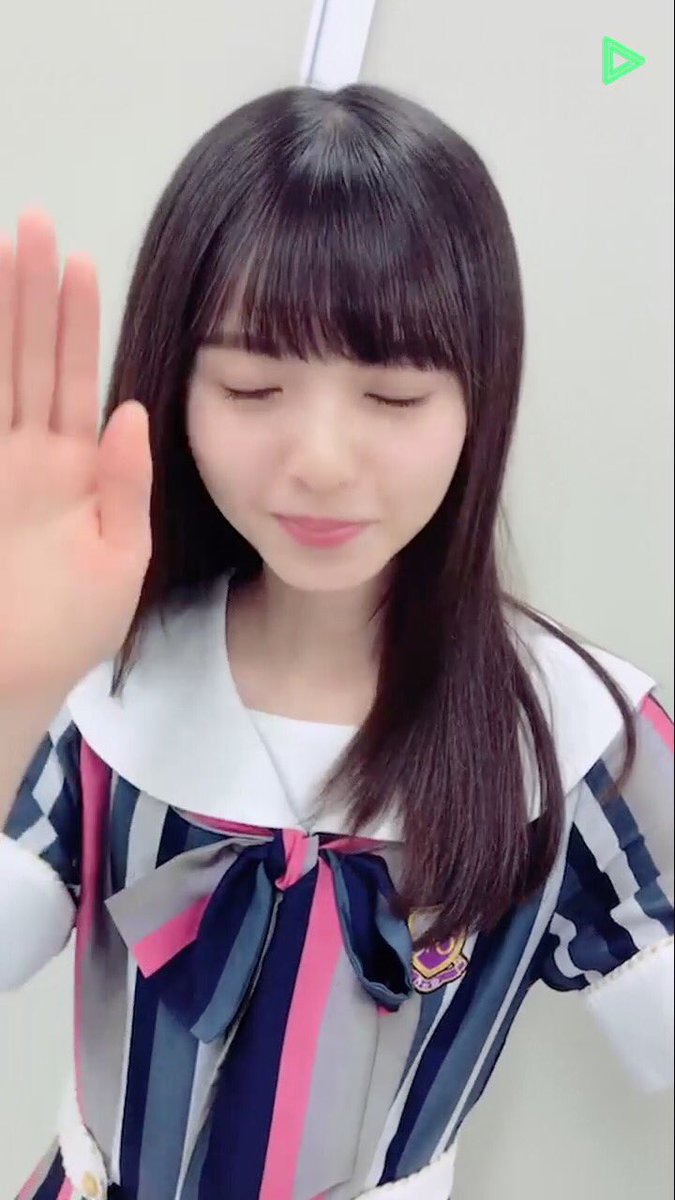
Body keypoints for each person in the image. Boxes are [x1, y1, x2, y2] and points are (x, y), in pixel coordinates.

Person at [0, 82, 672, 1200]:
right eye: (252, 385)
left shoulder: (575, 735)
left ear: (480, 400)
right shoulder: (106, 679)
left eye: (393, 396)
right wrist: (11, 687)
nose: (319, 460)